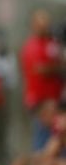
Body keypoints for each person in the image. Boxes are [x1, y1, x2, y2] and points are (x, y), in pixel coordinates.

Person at [21, 9, 63, 151]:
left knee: (54, 140)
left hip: (55, 100)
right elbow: (40, 69)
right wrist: (59, 67)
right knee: (42, 139)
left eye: (46, 24)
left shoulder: (52, 43)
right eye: (41, 24)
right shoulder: (32, 45)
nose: (45, 27)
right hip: (40, 101)